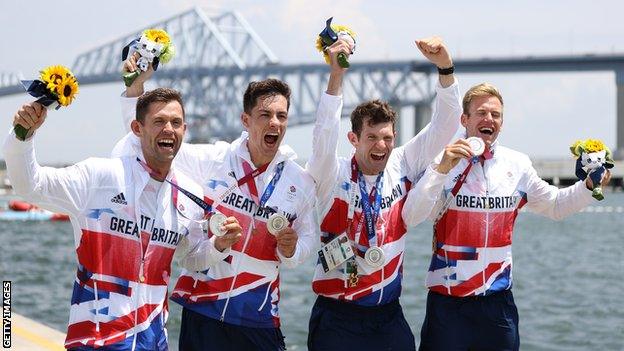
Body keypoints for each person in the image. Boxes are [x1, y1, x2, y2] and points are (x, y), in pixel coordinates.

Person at [4, 88, 243, 350]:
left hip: (153, 341)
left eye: (176, 123)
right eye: (159, 121)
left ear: (184, 130)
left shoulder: (190, 194)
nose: (168, 129)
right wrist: (22, 137)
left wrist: (219, 245)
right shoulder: (100, 177)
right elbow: (30, 185)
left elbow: (190, 257)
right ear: (137, 128)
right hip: (94, 341)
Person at [113, 56, 317, 351]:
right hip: (203, 311)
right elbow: (146, 142)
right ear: (245, 121)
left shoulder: (300, 181)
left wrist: (291, 250)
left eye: (281, 116)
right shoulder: (213, 160)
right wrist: (136, 88)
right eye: (265, 115)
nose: (275, 123)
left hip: (257, 317)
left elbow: (308, 241)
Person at [402, 82, 612, 351]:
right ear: (464, 119)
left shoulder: (518, 164)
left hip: (497, 305)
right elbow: (414, 214)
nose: (489, 119)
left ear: (501, 123)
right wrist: (441, 170)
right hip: (448, 303)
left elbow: (556, 206)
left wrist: (589, 187)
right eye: (481, 113)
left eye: (495, 114)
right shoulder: (443, 161)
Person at [305, 36, 462, 351]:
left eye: (387, 137)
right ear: (353, 138)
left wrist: (445, 67)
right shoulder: (330, 172)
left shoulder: (403, 163)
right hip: (337, 317)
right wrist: (336, 76)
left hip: (388, 315)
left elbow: (445, 124)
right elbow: (324, 131)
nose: (381, 146)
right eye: (371, 137)